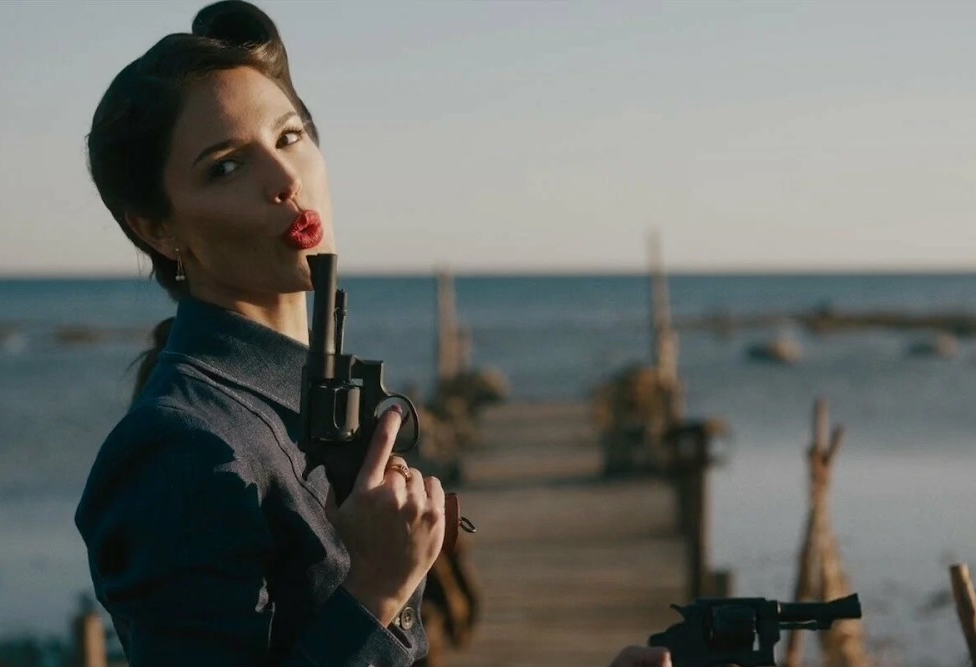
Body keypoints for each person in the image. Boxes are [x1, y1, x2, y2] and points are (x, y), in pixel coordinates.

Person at [73, 2, 673, 666]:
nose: (285, 180)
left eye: (290, 136)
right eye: (226, 167)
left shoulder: (301, 398)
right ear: (158, 229)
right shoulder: (174, 448)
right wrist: (375, 591)